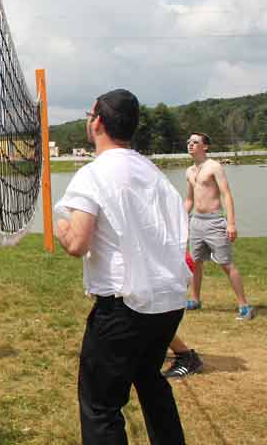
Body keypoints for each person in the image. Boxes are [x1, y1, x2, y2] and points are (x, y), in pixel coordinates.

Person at [54, 89, 189, 445]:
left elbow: (76, 244)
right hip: (168, 302)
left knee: (100, 406)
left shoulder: (93, 174)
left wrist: (60, 224)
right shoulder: (154, 173)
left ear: (96, 121)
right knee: (150, 381)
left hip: (125, 307)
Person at [184, 132, 255, 320]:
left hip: (215, 222)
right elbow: (190, 199)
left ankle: (244, 306)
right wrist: (181, 218)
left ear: (205, 147)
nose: (190, 145)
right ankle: (195, 299)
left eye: (195, 142)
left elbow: (226, 195)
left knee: (226, 264)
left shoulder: (214, 167)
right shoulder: (189, 171)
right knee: (196, 262)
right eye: (189, 142)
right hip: (196, 222)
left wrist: (231, 223)